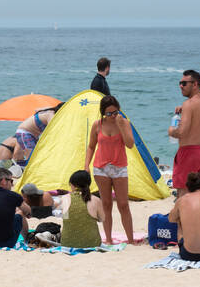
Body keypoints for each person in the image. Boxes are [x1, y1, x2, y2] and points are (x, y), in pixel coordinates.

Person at [82, 94, 142, 244]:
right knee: (106, 204)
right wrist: (86, 166)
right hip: (100, 168)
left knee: (123, 204)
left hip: (119, 167)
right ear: (103, 113)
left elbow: (130, 144)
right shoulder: (98, 125)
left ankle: (130, 239)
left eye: (115, 112)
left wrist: (121, 125)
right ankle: (108, 239)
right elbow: (91, 146)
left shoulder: (124, 123)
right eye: (109, 113)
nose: (112, 116)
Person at [168, 69, 200, 192]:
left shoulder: (189, 104)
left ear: (195, 84)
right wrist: (184, 110)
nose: (180, 86)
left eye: (184, 83)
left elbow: (181, 132)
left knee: (184, 192)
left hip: (189, 152)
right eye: (180, 83)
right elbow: (198, 121)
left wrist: (171, 130)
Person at [60, 170, 103, 249]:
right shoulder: (96, 200)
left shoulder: (64, 198)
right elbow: (102, 219)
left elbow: (65, 218)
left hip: (67, 243)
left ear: (73, 184)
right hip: (92, 243)